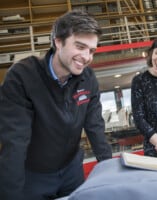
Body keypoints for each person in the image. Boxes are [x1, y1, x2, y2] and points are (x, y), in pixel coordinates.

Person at [0, 10, 112, 200]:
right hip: (33, 176)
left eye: (91, 50)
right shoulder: (22, 77)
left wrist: (110, 170)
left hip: (72, 170)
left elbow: (95, 126)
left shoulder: (88, 78)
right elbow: (15, 142)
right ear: (58, 41)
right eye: (80, 46)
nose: (86, 57)